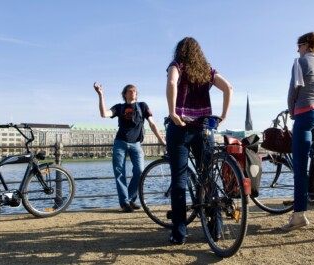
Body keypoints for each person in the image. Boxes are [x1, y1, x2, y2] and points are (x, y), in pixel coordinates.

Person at [166, 37, 233, 244]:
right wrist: (223, 116)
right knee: (209, 177)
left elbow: (171, 82)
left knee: (179, 180)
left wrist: (172, 112)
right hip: (205, 129)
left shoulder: (177, 65)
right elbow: (229, 88)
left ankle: (179, 233)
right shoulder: (207, 70)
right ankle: (216, 229)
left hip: (180, 128)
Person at [282, 32, 314, 231]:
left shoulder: (299, 63)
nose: (298, 49)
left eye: (299, 45)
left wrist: (293, 113)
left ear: (308, 45)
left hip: (306, 114)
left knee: (300, 168)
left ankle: (299, 216)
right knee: (312, 154)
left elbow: (293, 91)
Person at [93, 82, 166, 212]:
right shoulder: (119, 107)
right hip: (120, 143)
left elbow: (153, 124)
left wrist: (162, 140)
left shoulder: (143, 106)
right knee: (119, 173)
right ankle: (125, 203)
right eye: (130, 91)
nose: (133, 92)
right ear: (125, 94)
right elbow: (104, 114)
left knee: (140, 171)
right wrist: (100, 95)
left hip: (136, 144)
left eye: (135, 91)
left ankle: (130, 199)